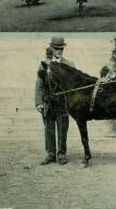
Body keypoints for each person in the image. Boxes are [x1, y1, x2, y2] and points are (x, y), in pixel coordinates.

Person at [35, 36, 76, 165]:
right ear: (51, 48)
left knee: (63, 129)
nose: (59, 51)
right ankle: (50, 154)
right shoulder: (44, 65)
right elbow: (39, 84)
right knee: (49, 129)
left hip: (62, 103)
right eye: (57, 49)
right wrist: (38, 102)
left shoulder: (69, 65)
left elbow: (73, 86)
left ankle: (62, 154)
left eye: (61, 49)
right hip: (48, 103)